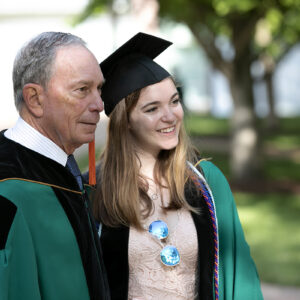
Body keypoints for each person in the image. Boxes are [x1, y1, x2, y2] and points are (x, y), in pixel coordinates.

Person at [90, 33, 263, 300]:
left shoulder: (206, 182)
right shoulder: (93, 191)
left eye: (174, 101)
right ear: (125, 121)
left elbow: (240, 275)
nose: (170, 116)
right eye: (152, 109)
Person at [0, 32, 110, 300]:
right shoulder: (9, 190)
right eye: (82, 90)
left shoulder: (63, 173)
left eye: (99, 89)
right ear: (35, 99)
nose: (99, 105)